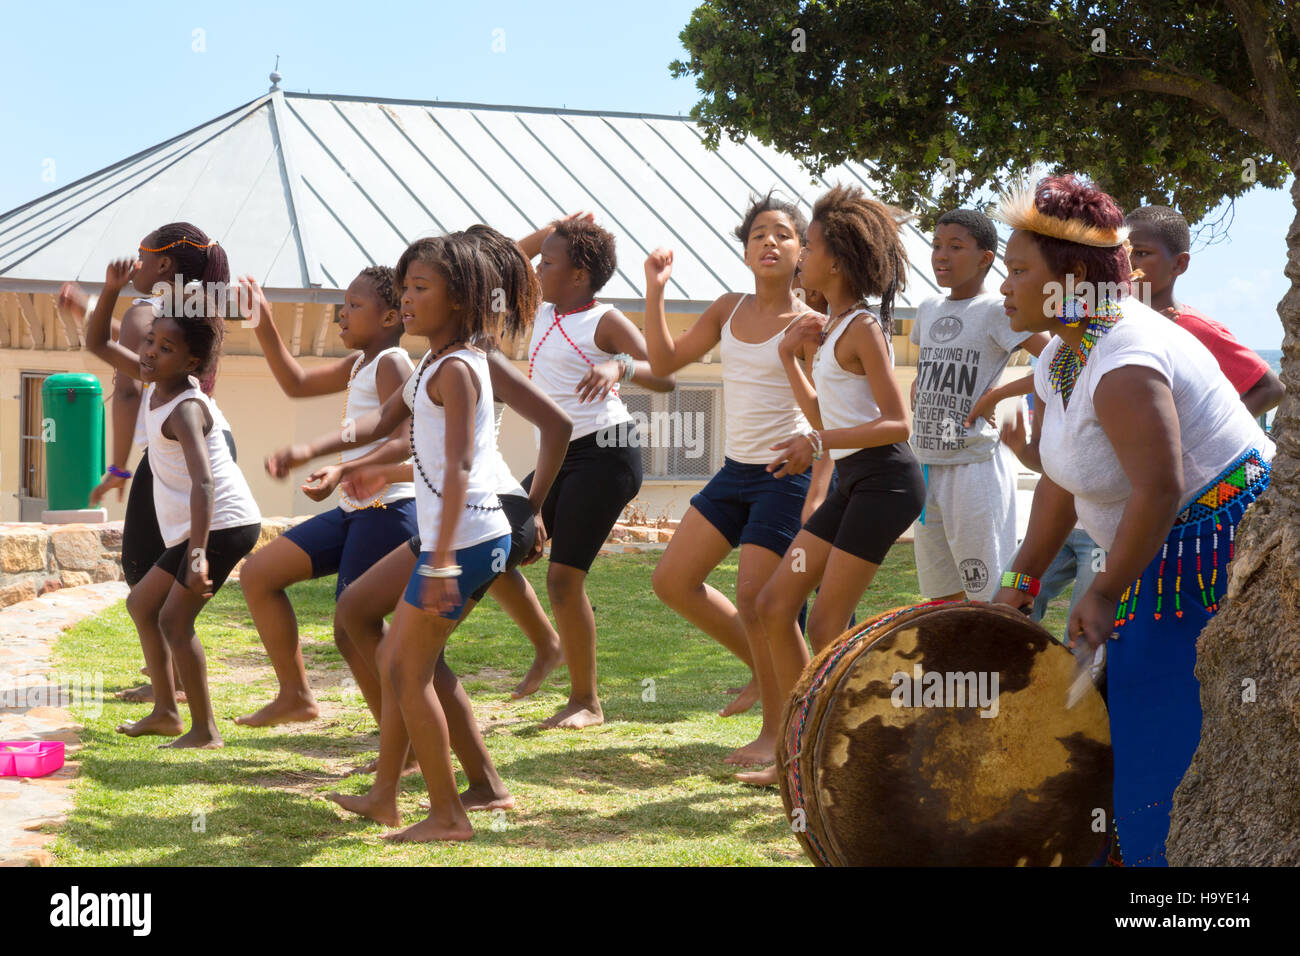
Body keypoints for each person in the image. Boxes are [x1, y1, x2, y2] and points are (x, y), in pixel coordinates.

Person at [992, 174, 1274, 866]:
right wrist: (1018, 582)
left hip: (1210, 557)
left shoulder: (1123, 356)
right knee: (1105, 723)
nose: (1006, 288)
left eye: (1019, 270)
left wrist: (1106, 588)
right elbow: (1061, 481)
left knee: (1154, 738)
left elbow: (1158, 486)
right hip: (1158, 552)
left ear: (1071, 278)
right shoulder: (1063, 351)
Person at [272, 234, 511, 840]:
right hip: (455, 537)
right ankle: (392, 796)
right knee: (381, 635)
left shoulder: (457, 369)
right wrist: (317, 451)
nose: (407, 299)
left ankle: (448, 814)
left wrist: (440, 563)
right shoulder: (432, 362)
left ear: (459, 299)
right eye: (404, 287)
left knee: (406, 669)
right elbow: (381, 422)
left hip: (467, 539)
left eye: (420, 288)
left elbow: (457, 467)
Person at [742, 184, 925, 786]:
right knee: (773, 605)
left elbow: (898, 422)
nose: (801, 255)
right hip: (853, 482)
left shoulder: (865, 328)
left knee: (825, 625)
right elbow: (826, 421)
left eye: (810, 245)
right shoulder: (833, 325)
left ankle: (849, 746)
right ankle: (803, 746)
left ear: (837, 261)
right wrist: (792, 361)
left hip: (887, 485)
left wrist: (816, 445)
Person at [643, 193, 833, 766]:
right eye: (757, 235)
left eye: (781, 233)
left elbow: (845, 407)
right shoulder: (727, 309)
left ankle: (784, 737)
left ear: (802, 249)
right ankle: (764, 668)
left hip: (784, 475)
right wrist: (655, 292)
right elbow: (664, 363)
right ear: (746, 250)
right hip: (734, 472)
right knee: (673, 581)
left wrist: (816, 442)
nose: (768, 242)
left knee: (757, 600)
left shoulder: (814, 324)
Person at [68, 254, 261, 749]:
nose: (150, 352)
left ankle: (204, 730)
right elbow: (96, 342)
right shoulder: (154, 379)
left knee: (175, 620)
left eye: (165, 347)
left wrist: (196, 553)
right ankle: (167, 712)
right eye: (150, 341)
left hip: (223, 522)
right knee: (142, 604)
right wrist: (109, 289)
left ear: (192, 362)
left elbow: (203, 483)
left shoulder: (186, 407)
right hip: (205, 524)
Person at [233, 267, 416, 728]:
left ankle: (402, 744)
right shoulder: (360, 364)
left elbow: (406, 439)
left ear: (391, 315)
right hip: (356, 509)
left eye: (355, 306)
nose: (342, 314)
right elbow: (295, 383)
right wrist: (264, 322)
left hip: (389, 509)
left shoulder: (393, 361)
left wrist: (344, 468)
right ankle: (295, 696)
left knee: (352, 628)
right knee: (259, 574)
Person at [515, 216, 676, 728]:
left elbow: (665, 376)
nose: (539, 267)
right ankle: (547, 645)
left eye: (551, 261)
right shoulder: (537, 307)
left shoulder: (603, 319)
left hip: (607, 452)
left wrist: (619, 367)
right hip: (557, 453)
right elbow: (506, 260)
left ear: (580, 275)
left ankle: (586, 702)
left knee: (563, 578)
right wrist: (549, 231)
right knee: (495, 542)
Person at [87, 222, 237, 704]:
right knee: (159, 580)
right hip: (210, 440)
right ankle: (168, 684)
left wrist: (118, 467)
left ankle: (170, 688)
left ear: (164, 265)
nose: (135, 265)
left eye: (142, 256)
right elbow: (130, 359)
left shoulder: (148, 313)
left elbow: (129, 386)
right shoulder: (197, 312)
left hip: (178, 449)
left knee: (144, 569)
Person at [909, 209, 1049, 602]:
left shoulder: (996, 310)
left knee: (986, 596)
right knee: (941, 598)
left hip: (973, 469)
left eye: (956, 247)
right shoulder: (927, 309)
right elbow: (931, 367)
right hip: (927, 467)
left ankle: (1000, 665)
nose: (941, 255)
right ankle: (956, 666)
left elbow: (1059, 360)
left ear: (986, 258)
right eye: (937, 245)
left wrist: (998, 396)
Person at [1125, 205, 1284, 416]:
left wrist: (1208, 435)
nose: (1127, 262)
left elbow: (1271, 388)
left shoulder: (1193, 327)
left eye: (1141, 253)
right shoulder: (1113, 319)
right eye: (1121, 251)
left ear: (1179, 264)